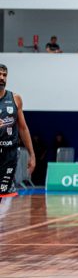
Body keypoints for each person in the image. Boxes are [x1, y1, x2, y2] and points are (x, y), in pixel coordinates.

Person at [0, 64, 35, 198]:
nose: (2, 78)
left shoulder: (15, 99)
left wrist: (32, 154)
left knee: (1, 193)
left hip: (9, 154)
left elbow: (23, 128)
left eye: (4, 75)